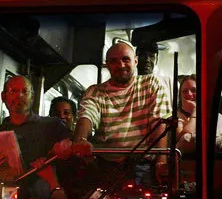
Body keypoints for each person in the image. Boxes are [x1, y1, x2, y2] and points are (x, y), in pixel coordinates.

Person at [73, 41, 172, 187]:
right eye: (113, 61)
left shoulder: (152, 83)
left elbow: (159, 123)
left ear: (135, 61)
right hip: (106, 166)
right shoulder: (95, 91)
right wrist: (80, 140)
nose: (120, 65)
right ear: (107, 65)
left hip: (142, 165)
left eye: (126, 59)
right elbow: (87, 115)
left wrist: (161, 162)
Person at [176, 75, 222, 156]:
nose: (189, 94)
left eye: (194, 90)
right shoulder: (176, 118)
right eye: (184, 91)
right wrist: (195, 110)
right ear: (180, 96)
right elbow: (185, 141)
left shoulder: (218, 118)